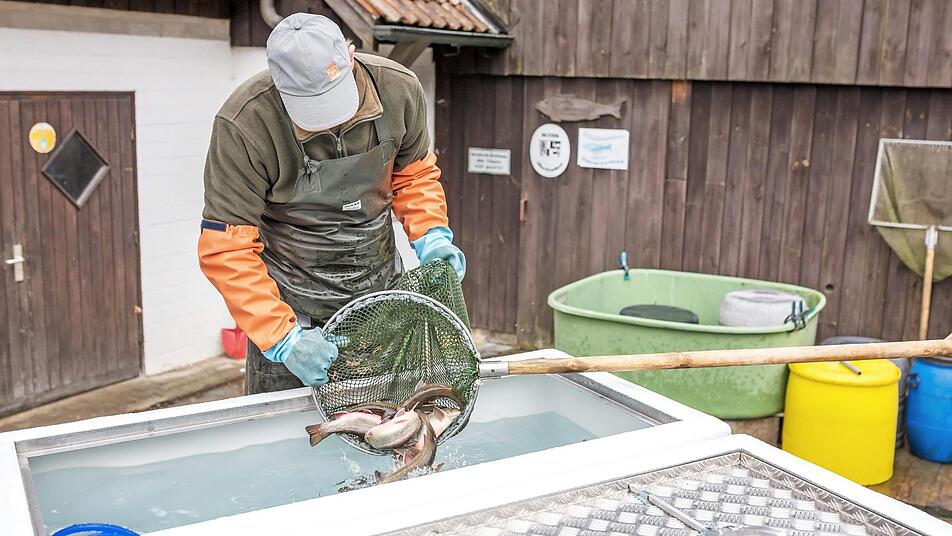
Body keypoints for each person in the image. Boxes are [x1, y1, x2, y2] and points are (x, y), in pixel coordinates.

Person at [198, 13, 465, 394]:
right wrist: (282, 338)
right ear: (278, 84)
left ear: (351, 55)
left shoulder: (398, 90)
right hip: (290, 309)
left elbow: (414, 176)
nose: (325, 124)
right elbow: (228, 248)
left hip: (381, 299)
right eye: (311, 110)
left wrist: (432, 235)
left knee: (392, 417)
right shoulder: (244, 125)